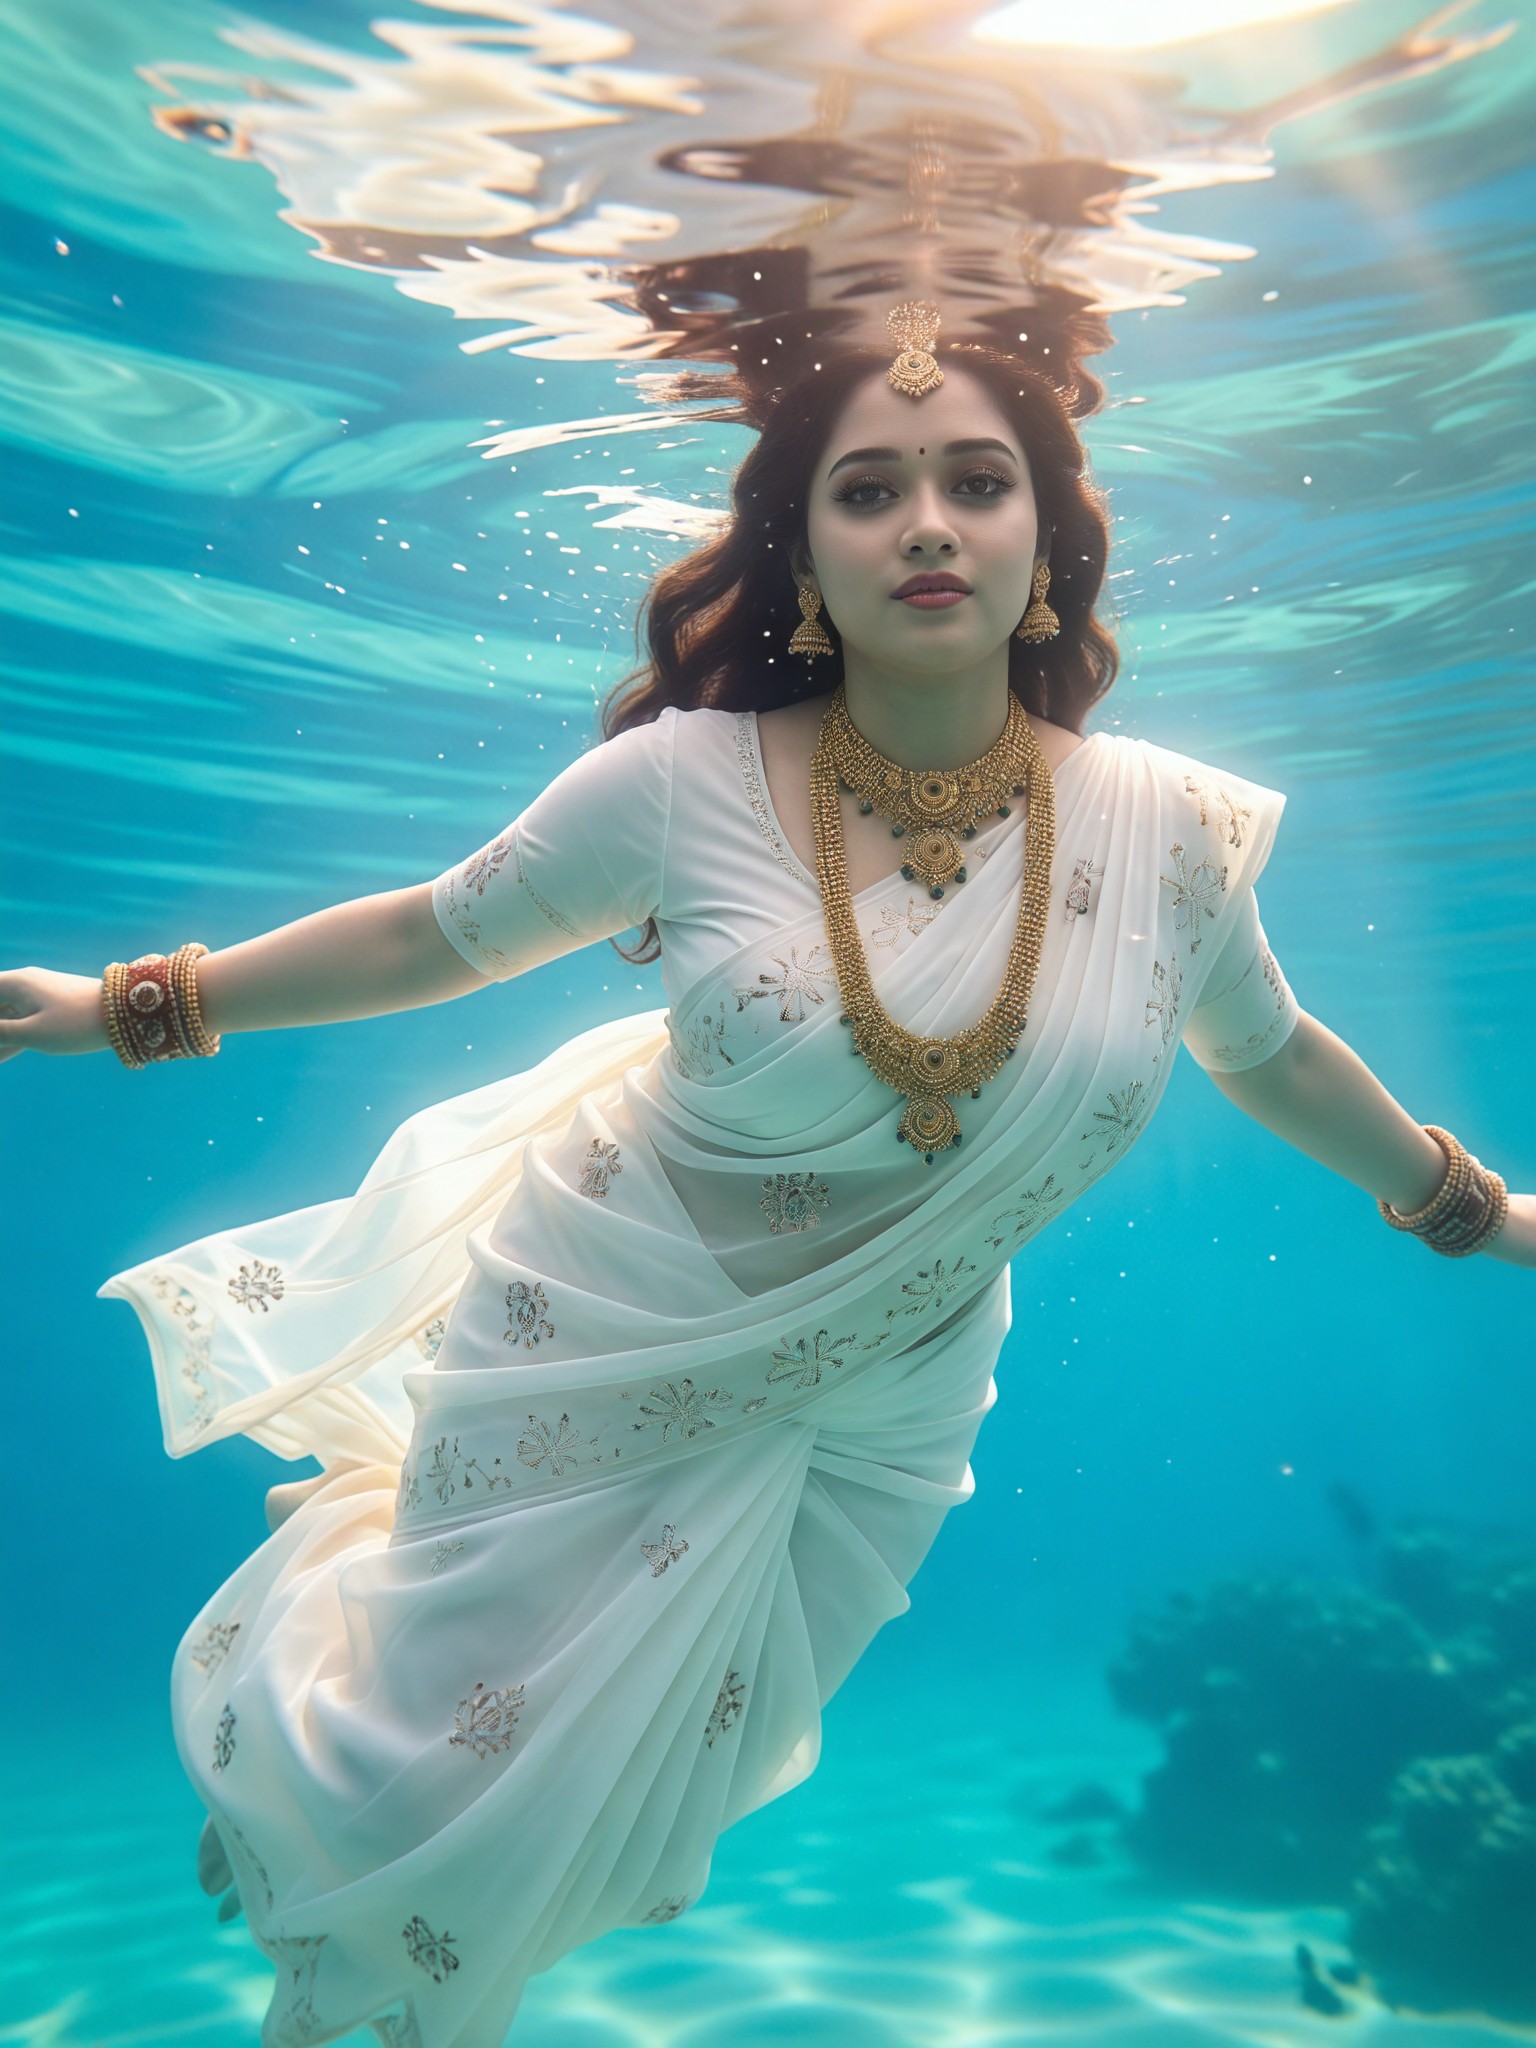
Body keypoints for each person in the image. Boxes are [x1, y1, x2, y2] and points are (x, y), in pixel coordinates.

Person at [1, 303, 1526, 2048]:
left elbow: (1271, 1052)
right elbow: (433, 936)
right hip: (599, 1316)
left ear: (1048, 539)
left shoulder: (1172, 832)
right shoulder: (682, 785)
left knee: (632, 1796)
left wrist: (1480, 1217)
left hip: (884, 1388)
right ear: (801, 551)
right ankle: (302, 1771)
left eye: (977, 482)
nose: (929, 524)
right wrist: (132, 1006)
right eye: (870, 491)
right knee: (420, 1760)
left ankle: (342, 1791)